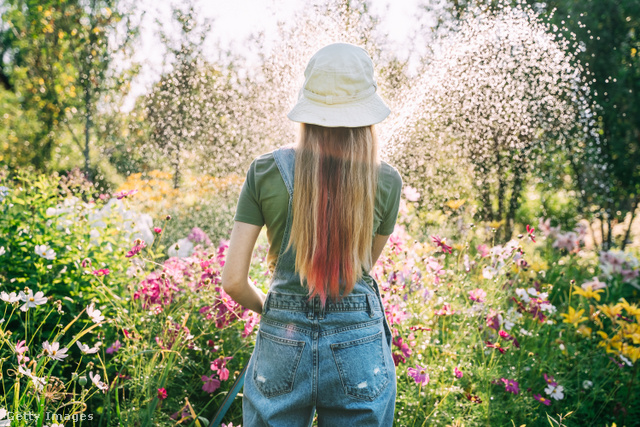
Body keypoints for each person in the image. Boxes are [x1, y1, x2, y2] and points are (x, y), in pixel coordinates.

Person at [221, 42, 403, 426]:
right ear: (367, 114)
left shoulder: (264, 171)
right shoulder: (386, 181)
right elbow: (361, 268)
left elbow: (234, 281)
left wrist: (277, 311)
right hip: (359, 347)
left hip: (281, 342)